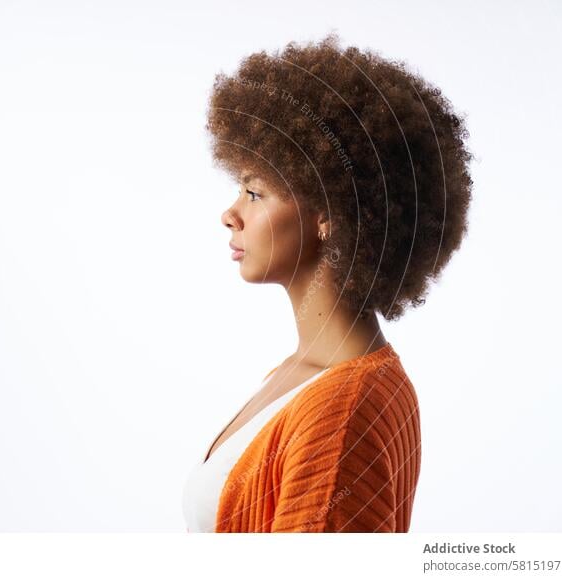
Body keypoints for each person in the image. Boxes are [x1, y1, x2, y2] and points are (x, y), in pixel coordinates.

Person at [182, 33, 473, 533]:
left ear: (329, 215)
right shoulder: (308, 372)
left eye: (255, 192)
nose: (230, 214)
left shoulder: (341, 413)